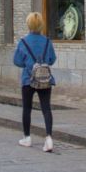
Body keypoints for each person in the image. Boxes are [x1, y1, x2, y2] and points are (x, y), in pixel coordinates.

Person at [13, 12, 57, 152]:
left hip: (28, 79)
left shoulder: (23, 42)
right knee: (46, 108)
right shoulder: (47, 41)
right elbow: (52, 59)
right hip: (45, 78)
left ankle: (27, 137)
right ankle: (49, 138)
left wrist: (28, 65)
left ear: (29, 25)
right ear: (41, 25)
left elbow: (16, 61)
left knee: (27, 108)